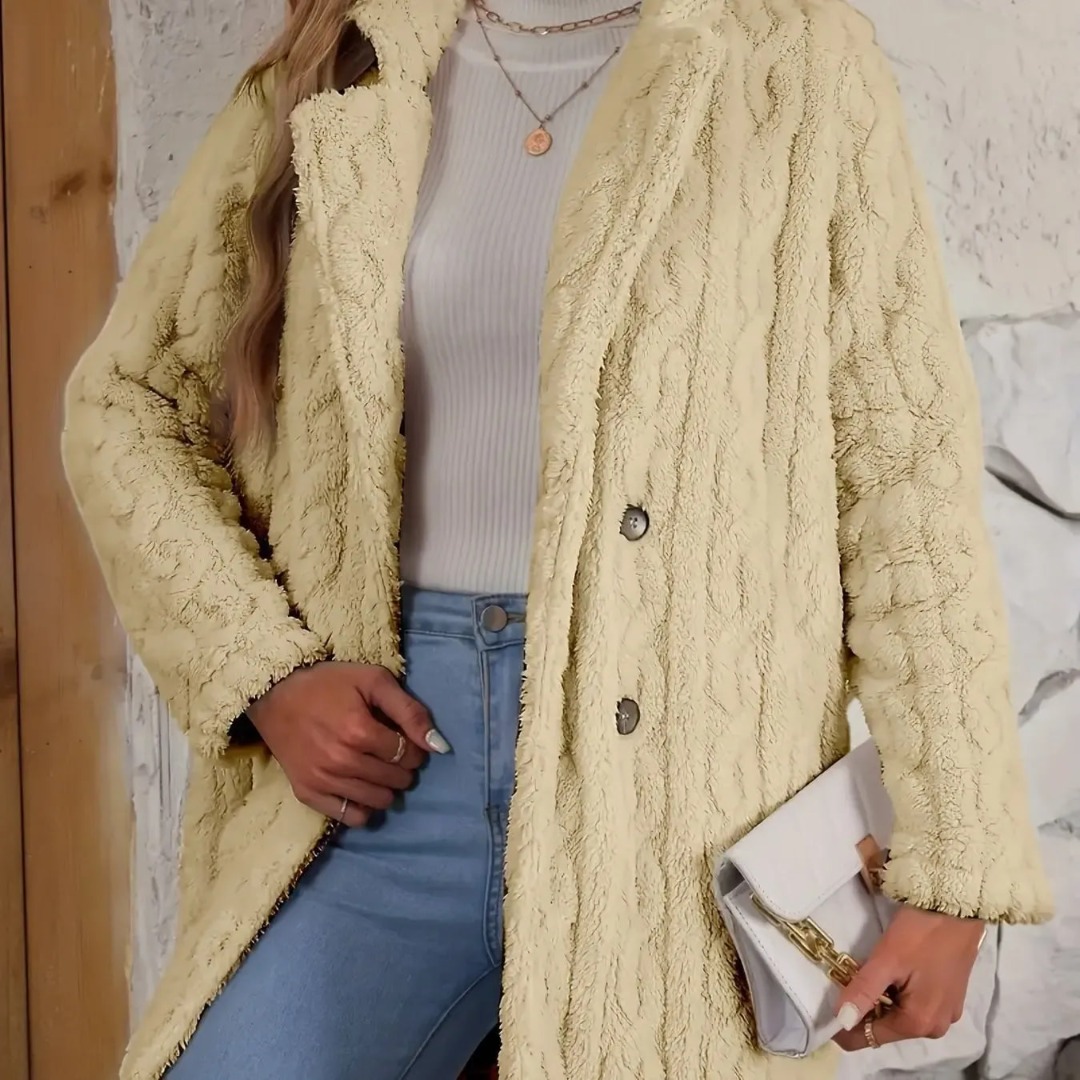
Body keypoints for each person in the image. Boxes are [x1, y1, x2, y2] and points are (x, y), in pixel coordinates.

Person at [62, 0, 1053, 1077]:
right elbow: (127, 403)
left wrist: (954, 870)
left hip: (680, 819)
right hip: (384, 777)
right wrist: (268, 673)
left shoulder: (795, 56)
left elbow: (905, 476)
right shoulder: (349, 57)